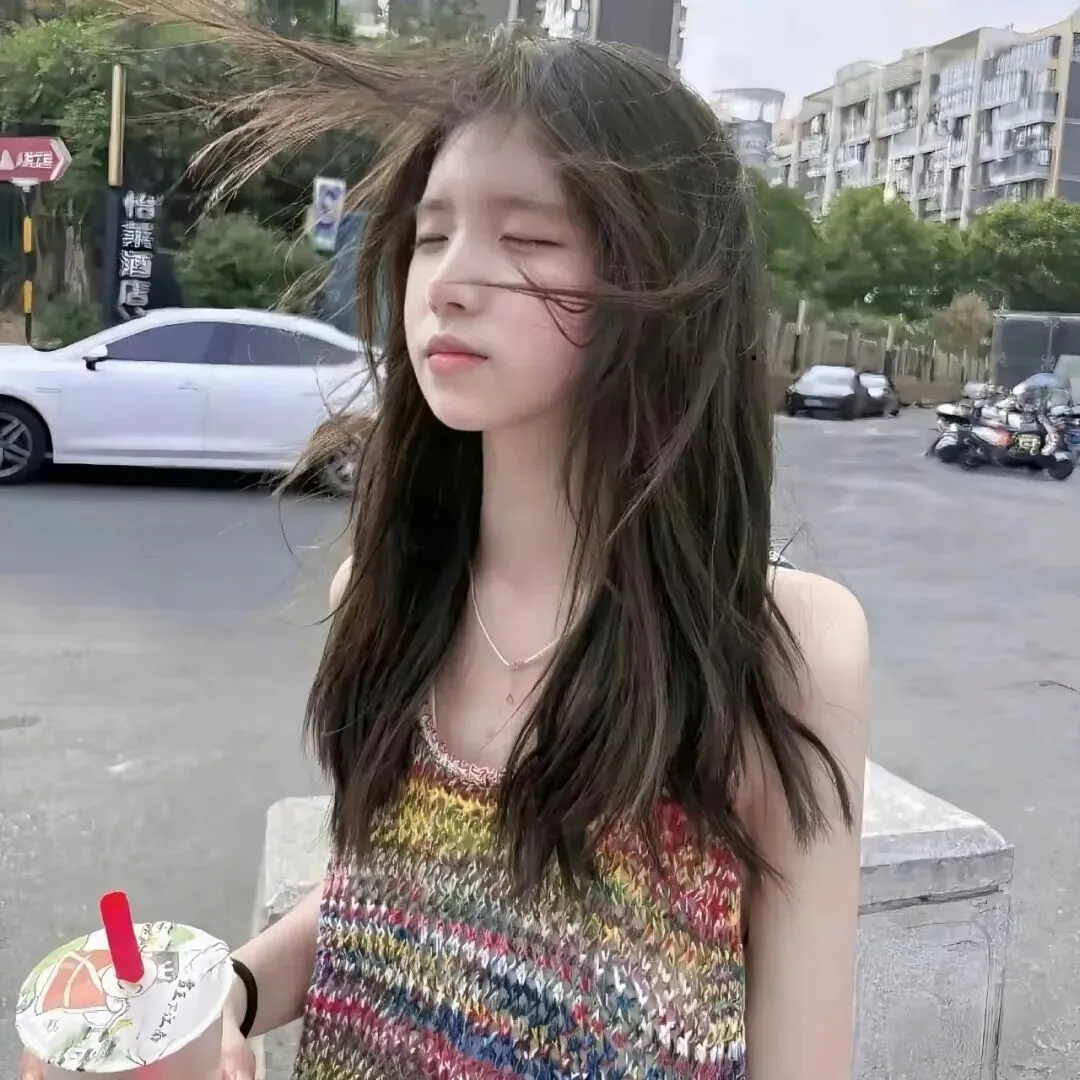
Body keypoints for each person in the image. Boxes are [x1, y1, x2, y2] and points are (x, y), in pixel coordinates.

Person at [21, 26, 868, 1080]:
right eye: (431, 236)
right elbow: (390, 891)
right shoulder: (385, 592)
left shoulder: (782, 647)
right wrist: (224, 994)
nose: (450, 283)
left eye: (530, 240)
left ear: (665, 280)